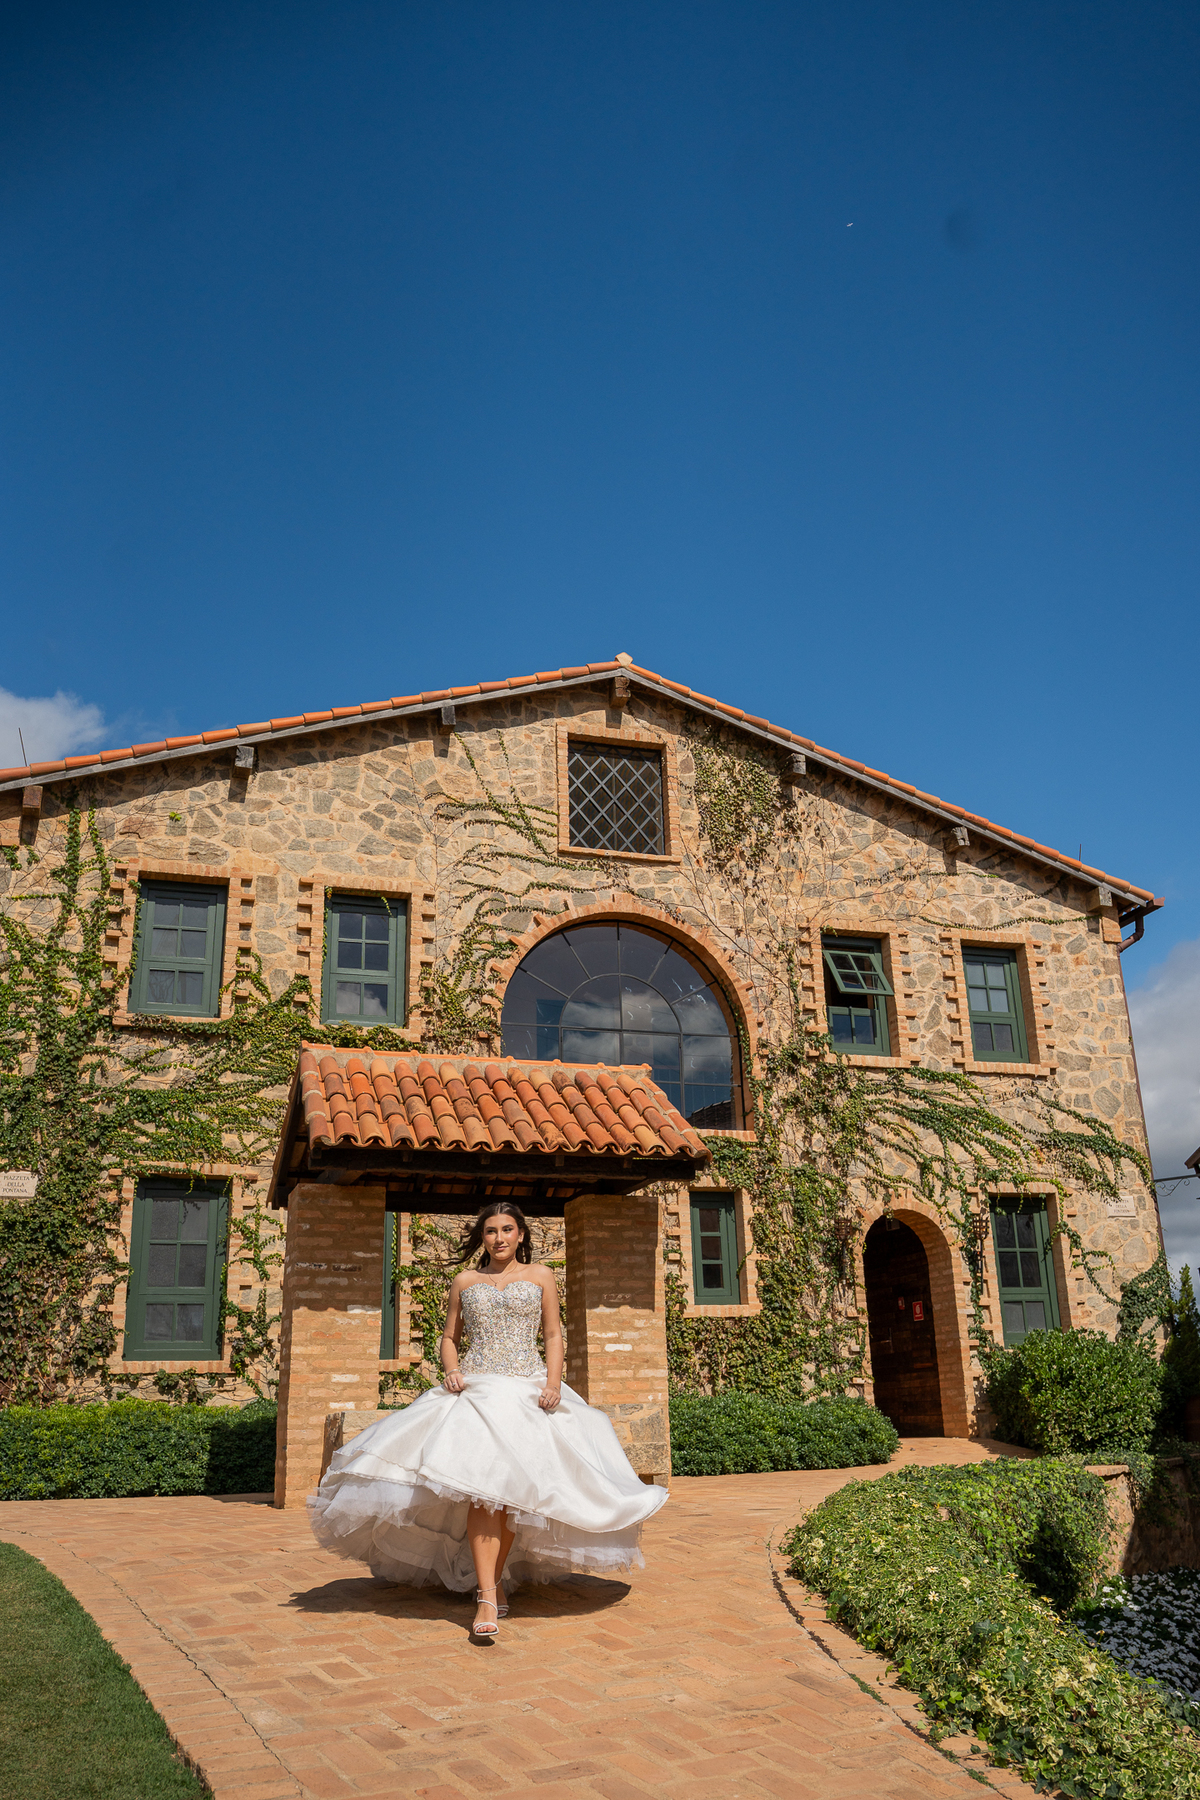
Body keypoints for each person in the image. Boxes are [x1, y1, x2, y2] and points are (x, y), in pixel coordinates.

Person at [308, 1201, 669, 1639]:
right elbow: (449, 1337)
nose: (499, 1238)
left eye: (507, 1229)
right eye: (491, 1231)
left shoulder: (541, 1276)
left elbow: (553, 1334)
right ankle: (486, 1595)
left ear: (521, 1235)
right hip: (475, 1392)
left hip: (529, 1394)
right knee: (483, 1497)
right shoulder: (466, 1281)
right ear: (483, 1237)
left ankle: (493, 1584)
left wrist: (553, 1383)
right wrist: (452, 1370)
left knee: (512, 1500)